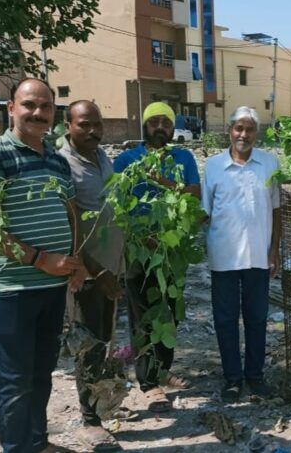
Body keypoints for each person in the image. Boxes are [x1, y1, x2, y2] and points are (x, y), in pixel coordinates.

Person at [0, 78, 85, 453]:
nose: (38, 113)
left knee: (41, 374)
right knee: (15, 381)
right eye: (29, 105)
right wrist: (40, 259)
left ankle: (37, 442)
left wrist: (77, 262)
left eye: (45, 106)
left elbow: (70, 214)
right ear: (11, 108)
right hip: (14, 290)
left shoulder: (56, 160)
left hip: (52, 287)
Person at [113, 102, 200, 412]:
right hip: (139, 249)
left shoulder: (183, 158)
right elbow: (117, 206)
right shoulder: (126, 160)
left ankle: (163, 370)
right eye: (154, 122)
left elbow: (194, 195)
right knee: (143, 316)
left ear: (173, 128)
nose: (160, 127)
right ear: (145, 125)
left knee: (170, 312)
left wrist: (161, 181)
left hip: (172, 249)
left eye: (166, 122)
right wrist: (139, 238)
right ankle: (148, 383)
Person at [58, 100, 125, 451]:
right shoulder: (61, 164)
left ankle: (100, 404)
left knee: (104, 338)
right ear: (67, 125)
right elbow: (67, 229)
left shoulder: (102, 158)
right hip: (85, 275)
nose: (93, 130)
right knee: (88, 344)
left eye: (97, 124)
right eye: (84, 124)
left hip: (111, 269)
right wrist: (96, 272)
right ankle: (89, 421)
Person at [202, 106, 281, 402]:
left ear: (256, 133)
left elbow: (277, 209)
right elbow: (204, 211)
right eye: (238, 128)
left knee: (257, 319)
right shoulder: (213, 166)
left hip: (259, 255)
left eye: (249, 129)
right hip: (224, 255)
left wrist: (275, 250)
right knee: (225, 320)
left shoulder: (269, 163)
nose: (243, 135)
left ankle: (255, 376)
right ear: (229, 130)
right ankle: (232, 378)